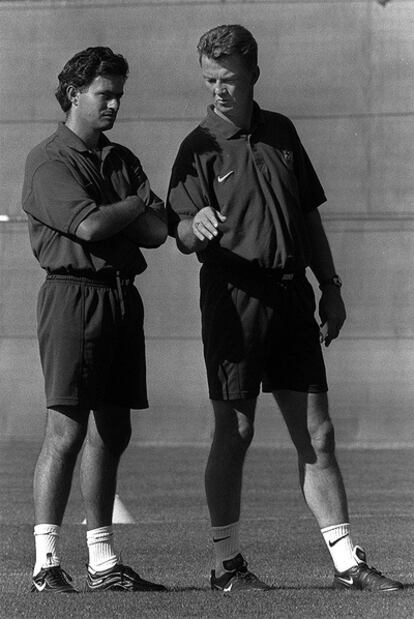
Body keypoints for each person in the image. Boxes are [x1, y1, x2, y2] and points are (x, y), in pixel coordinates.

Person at [167, 25, 403, 593]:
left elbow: (308, 216)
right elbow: (178, 229)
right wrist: (191, 228)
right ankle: (227, 563)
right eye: (209, 79)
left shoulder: (283, 131)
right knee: (238, 428)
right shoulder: (196, 145)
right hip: (233, 298)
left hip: (293, 295)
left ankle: (350, 562)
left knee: (317, 434)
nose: (218, 90)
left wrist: (332, 285)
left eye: (227, 79)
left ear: (253, 74)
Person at [22, 46, 168, 593]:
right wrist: (132, 206)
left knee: (114, 428)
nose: (114, 104)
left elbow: (155, 233)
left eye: (119, 95)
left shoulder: (119, 157)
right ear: (74, 94)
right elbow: (90, 228)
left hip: (121, 298)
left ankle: (103, 562)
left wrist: (127, 212)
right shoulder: (49, 159)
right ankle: (45, 562)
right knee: (66, 429)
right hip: (73, 296)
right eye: (105, 94)